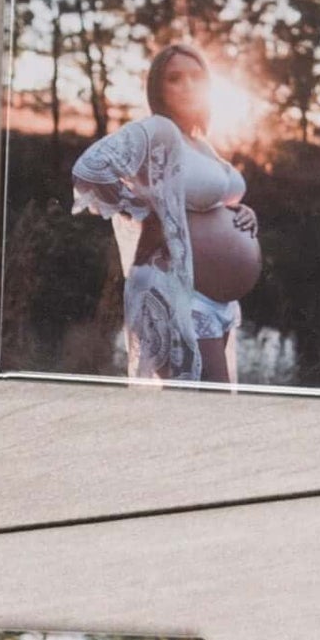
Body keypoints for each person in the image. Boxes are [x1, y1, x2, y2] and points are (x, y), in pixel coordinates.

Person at [70, 41, 262, 386]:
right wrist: (143, 210)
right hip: (179, 294)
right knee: (209, 407)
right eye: (175, 78)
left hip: (215, 302)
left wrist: (239, 212)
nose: (188, 86)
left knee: (205, 406)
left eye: (196, 77)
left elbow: (200, 198)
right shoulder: (158, 130)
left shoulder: (199, 141)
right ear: (158, 89)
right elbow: (89, 170)